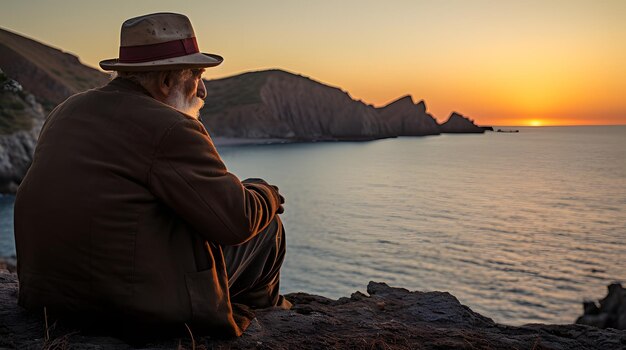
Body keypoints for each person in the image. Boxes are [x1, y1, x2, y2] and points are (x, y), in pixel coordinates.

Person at [13, 12, 289, 339]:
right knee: (267, 226)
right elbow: (236, 220)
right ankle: (271, 318)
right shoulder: (172, 127)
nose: (202, 90)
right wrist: (266, 192)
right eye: (197, 75)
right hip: (130, 308)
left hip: (48, 298)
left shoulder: (66, 111)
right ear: (166, 82)